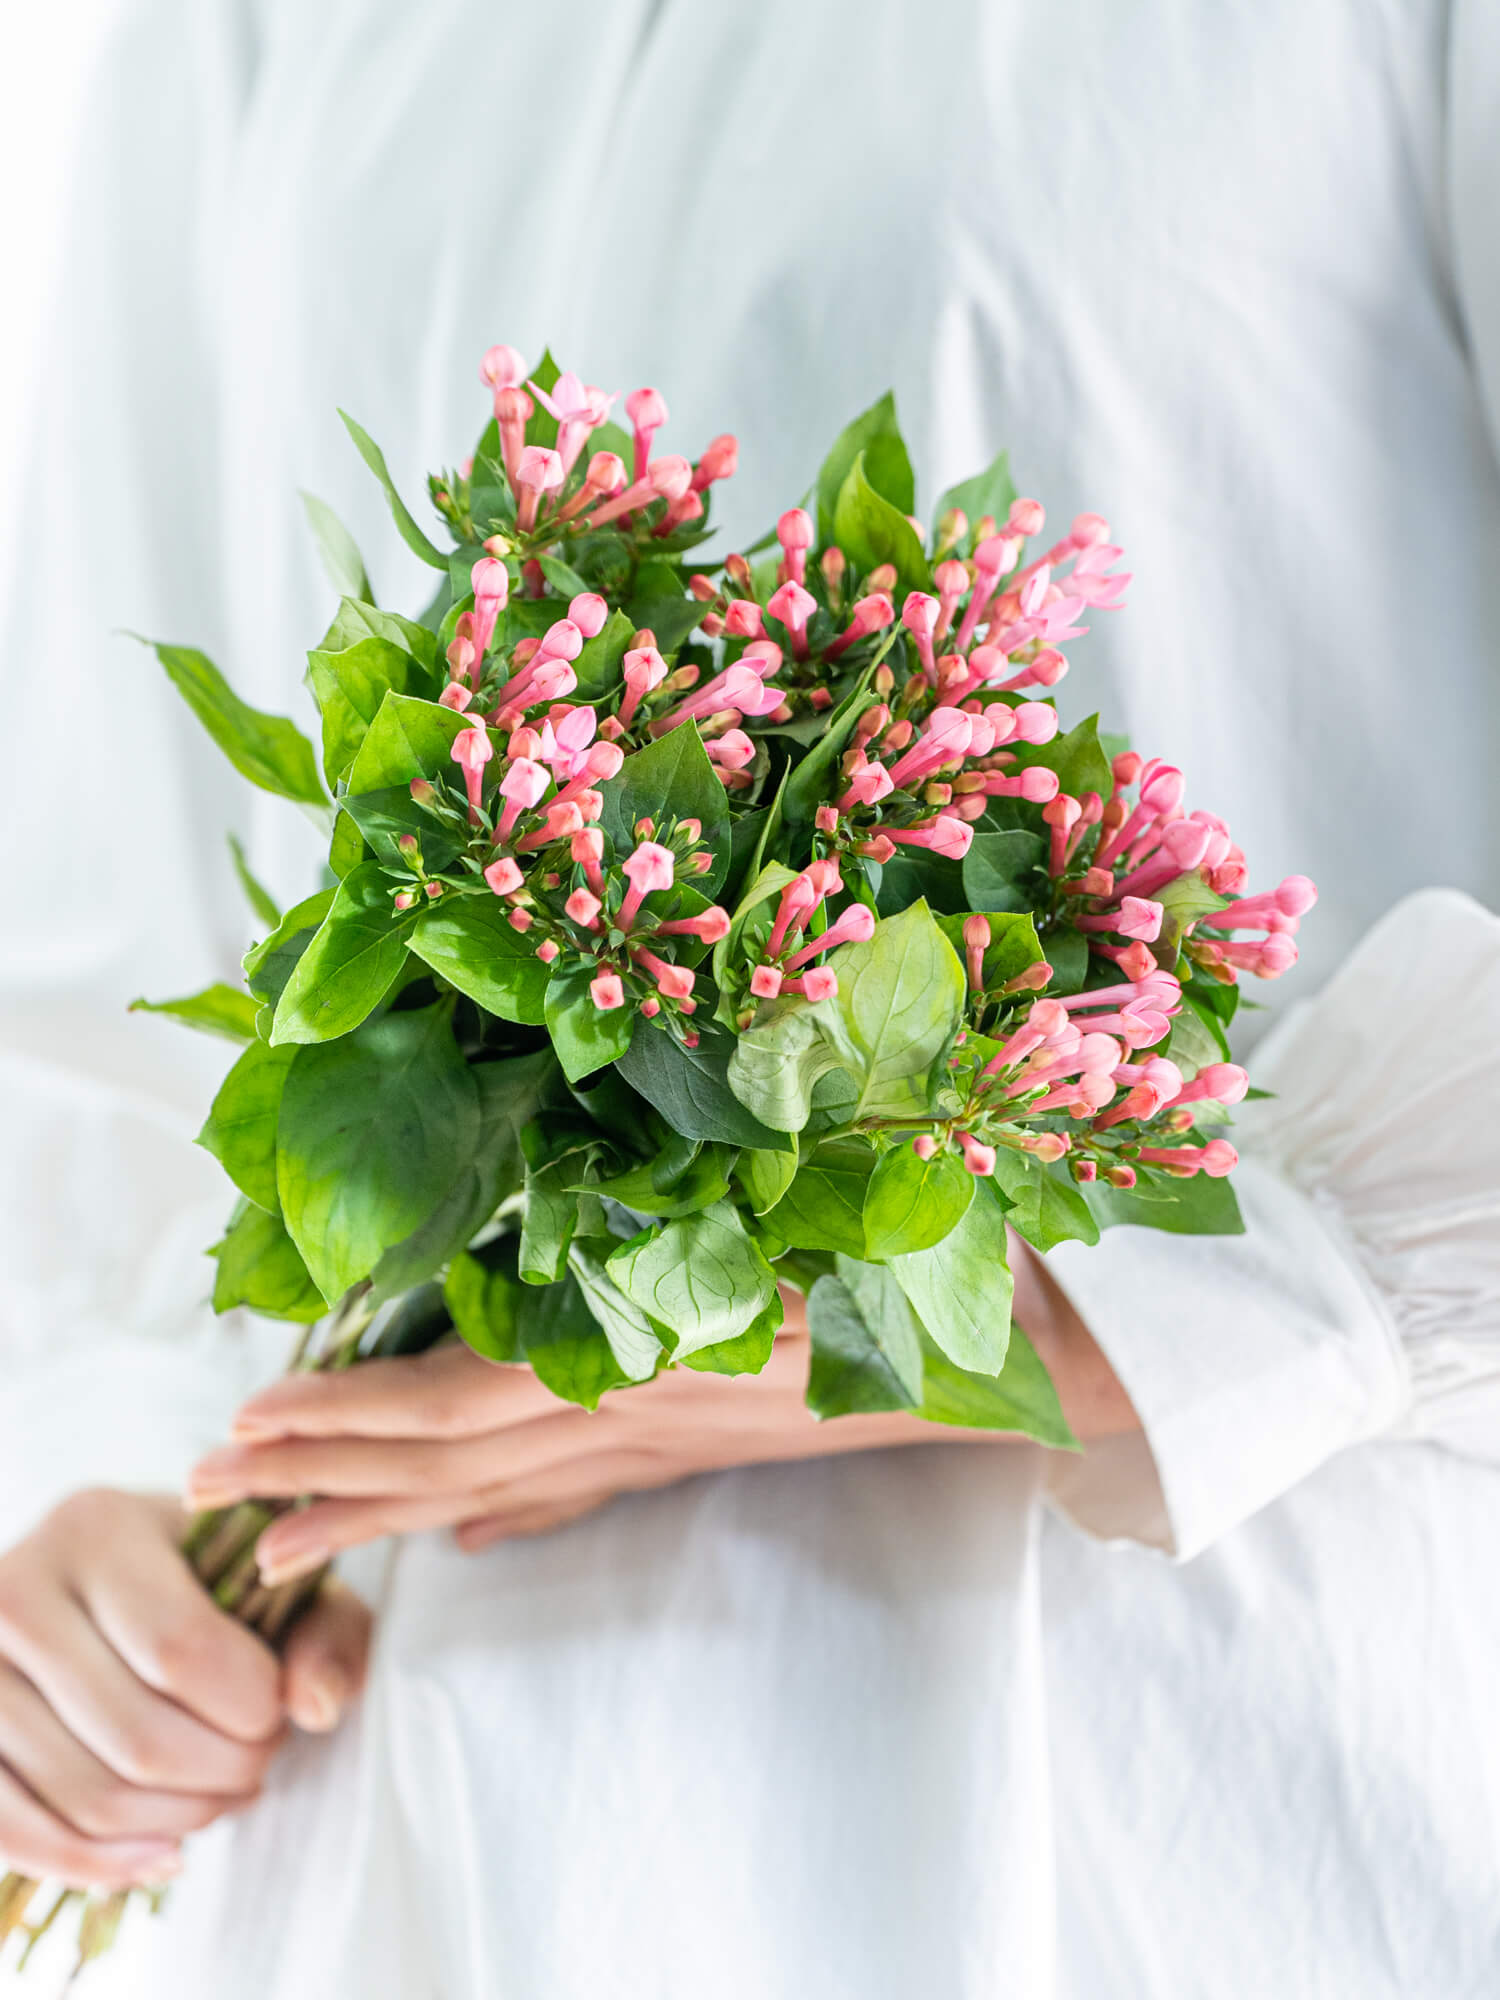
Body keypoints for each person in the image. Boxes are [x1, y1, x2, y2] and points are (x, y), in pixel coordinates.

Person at [1, 2, 1496, 1993]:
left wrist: (972, 1310)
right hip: (370, 1842)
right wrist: (97, 1528)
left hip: (1146, 1810)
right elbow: (103, 957)